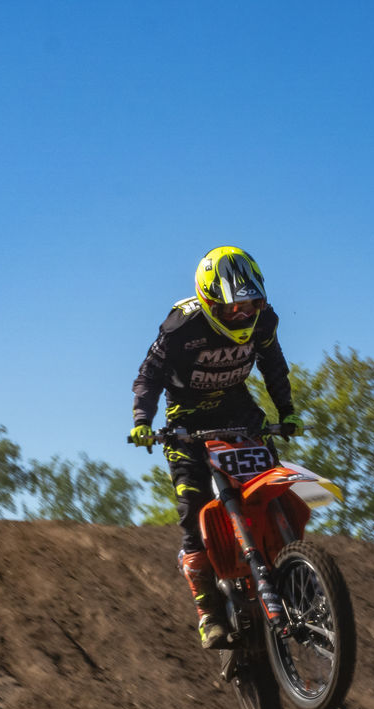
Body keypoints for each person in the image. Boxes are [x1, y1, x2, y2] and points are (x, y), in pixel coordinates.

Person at [131, 246, 302, 650]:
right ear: (209, 302)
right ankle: (208, 612)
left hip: (239, 410)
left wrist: (287, 411)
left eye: (252, 304)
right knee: (191, 509)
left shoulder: (265, 321)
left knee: (276, 486)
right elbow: (148, 375)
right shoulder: (180, 328)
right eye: (233, 309)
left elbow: (273, 364)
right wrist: (142, 422)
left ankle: (293, 567)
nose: (244, 315)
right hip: (186, 423)